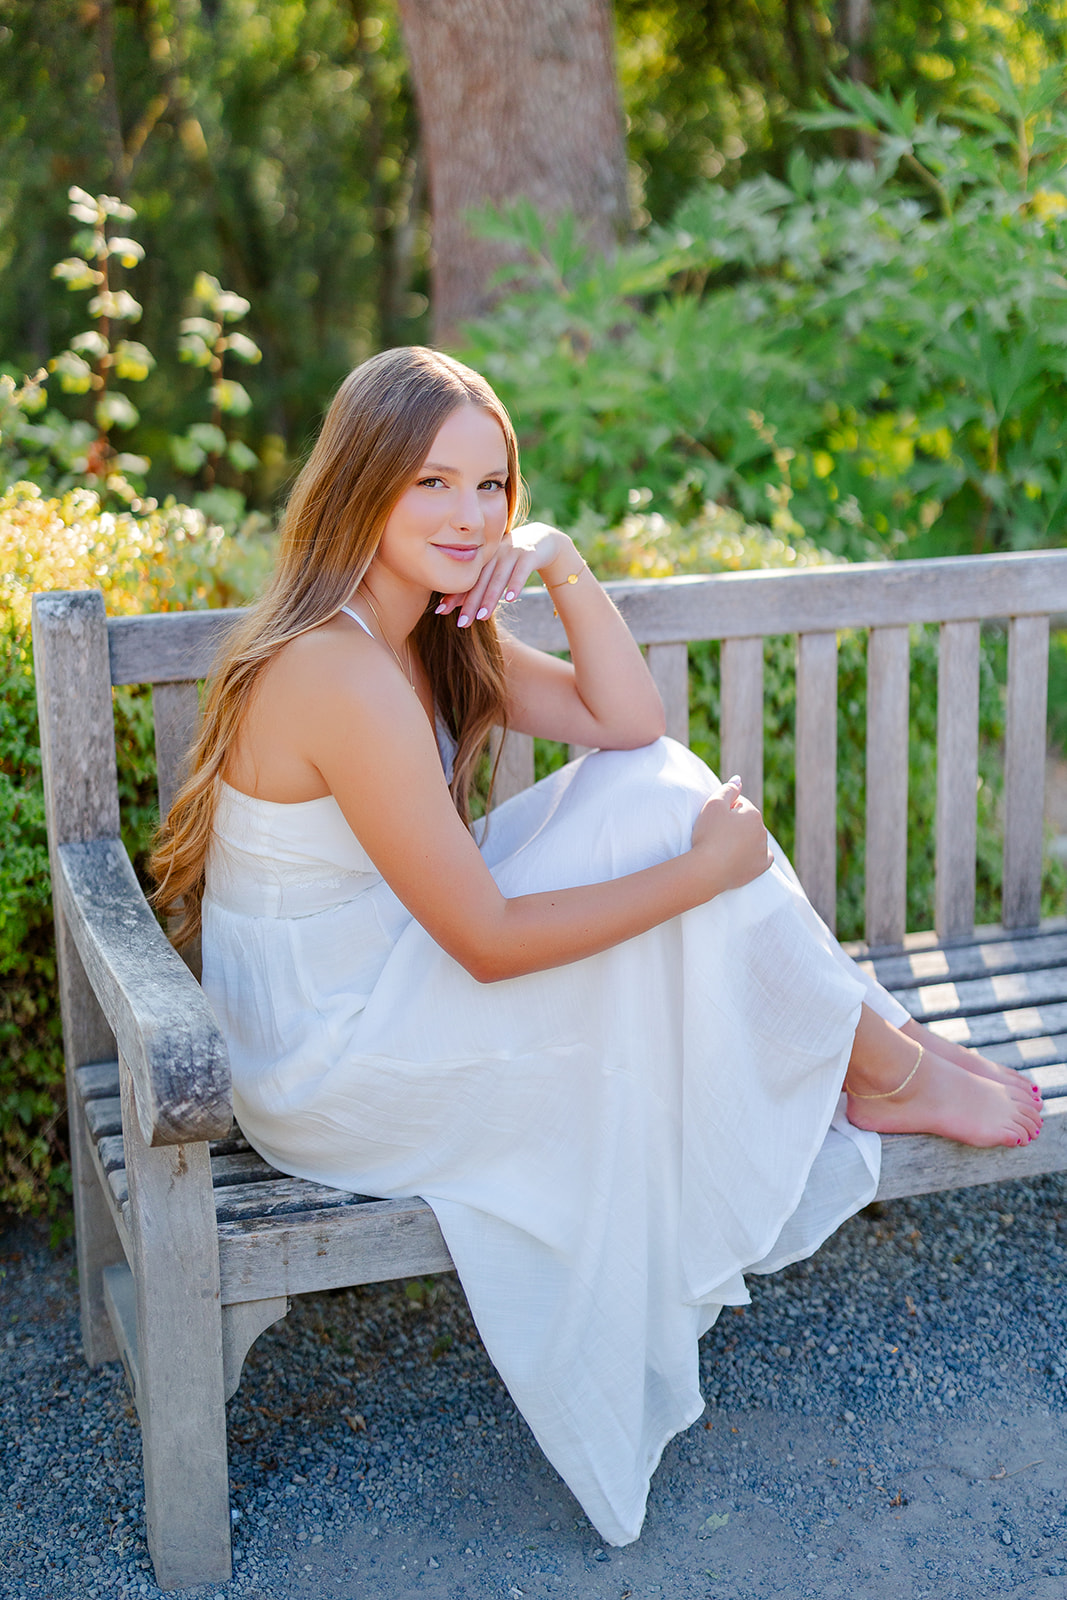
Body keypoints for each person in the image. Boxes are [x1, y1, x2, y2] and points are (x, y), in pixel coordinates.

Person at [151, 346, 1042, 1547]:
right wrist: (698, 876)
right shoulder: (340, 670)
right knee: (680, 834)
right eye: (431, 485)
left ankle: (871, 1053)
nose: (470, 517)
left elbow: (626, 726)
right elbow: (485, 941)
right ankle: (877, 1063)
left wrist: (561, 565)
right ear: (361, 486)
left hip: (384, 986)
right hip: (336, 1067)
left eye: (491, 485)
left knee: (653, 790)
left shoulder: (417, 630)